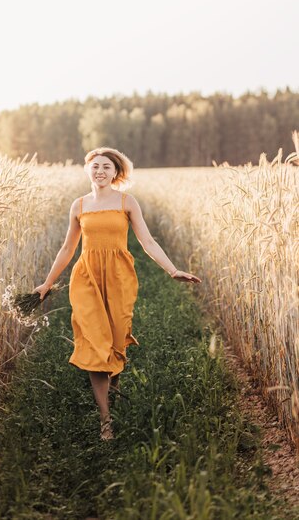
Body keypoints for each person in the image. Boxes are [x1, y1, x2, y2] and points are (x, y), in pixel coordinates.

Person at [34, 147, 201, 441]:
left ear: (116, 173)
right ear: (88, 170)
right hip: (87, 279)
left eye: (106, 167)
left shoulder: (127, 202)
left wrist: (172, 270)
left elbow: (147, 241)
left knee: (115, 340)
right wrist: (47, 284)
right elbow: (67, 249)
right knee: (96, 343)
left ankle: (115, 392)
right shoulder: (79, 206)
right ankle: (106, 420)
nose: (100, 171)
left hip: (119, 278)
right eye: (95, 166)